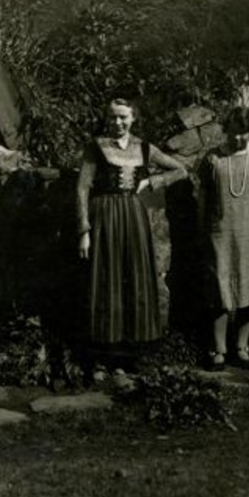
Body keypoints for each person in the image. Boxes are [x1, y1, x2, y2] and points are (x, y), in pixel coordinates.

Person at [75, 98, 188, 370]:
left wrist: (152, 181)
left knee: (135, 275)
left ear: (133, 118)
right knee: (107, 277)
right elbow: (81, 189)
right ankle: (104, 354)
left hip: (134, 217)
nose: (117, 122)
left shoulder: (144, 147)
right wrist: (84, 230)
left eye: (123, 117)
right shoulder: (96, 147)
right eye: (113, 117)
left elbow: (180, 170)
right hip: (104, 216)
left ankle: (134, 352)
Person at [199, 107, 249, 369]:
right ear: (226, 132)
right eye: (232, 133)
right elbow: (204, 200)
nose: (237, 139)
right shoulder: (213, 159)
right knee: (220, 289)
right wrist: (203, 230)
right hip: (221, 231)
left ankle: (241, 346)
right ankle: (218, 349)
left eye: (242, 133)